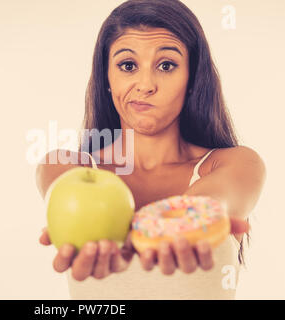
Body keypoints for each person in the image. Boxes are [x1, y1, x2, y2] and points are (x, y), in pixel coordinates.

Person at [36, 0, 266, 299]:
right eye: (128, 65)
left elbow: (201, 209)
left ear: (192, 78)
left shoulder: (235, 164)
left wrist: (133, 236)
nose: (145, 84)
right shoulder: (65, 166)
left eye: (166, 65)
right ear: (107, 77)